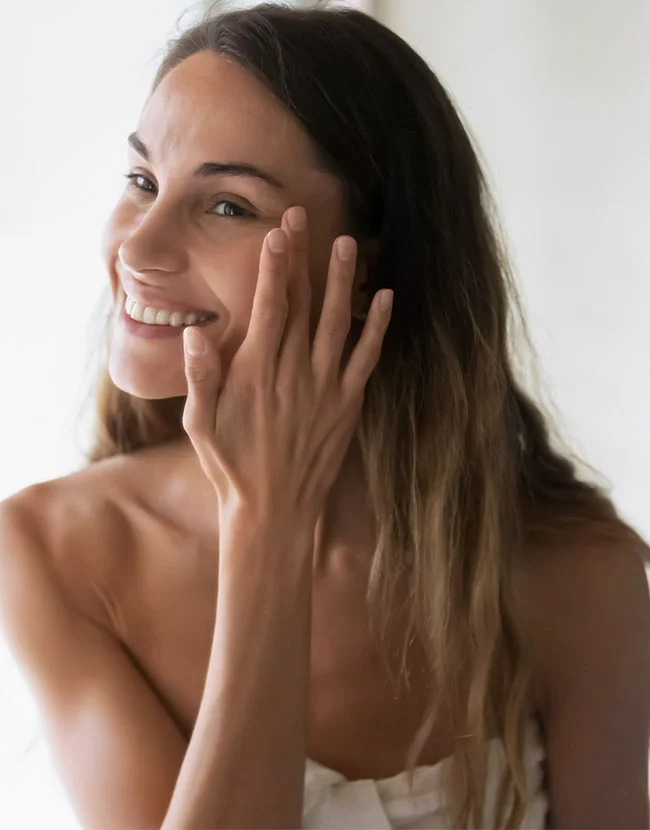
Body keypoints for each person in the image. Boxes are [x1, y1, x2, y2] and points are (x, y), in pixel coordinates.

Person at [1, 2, 649, 828]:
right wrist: (266, 526)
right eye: (142, 182)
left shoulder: (574, 577)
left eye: (228, 205)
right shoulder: (56, 552)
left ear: (373, 264)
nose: (137, 248)